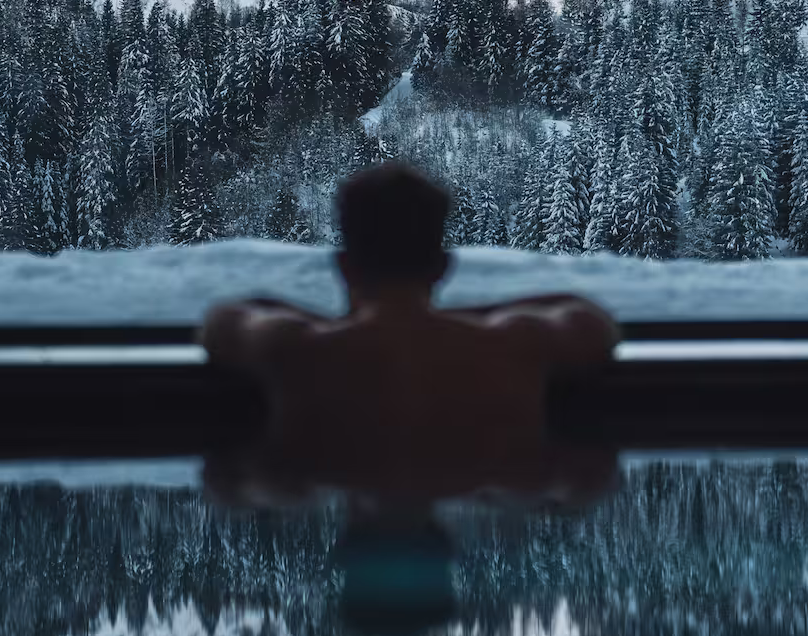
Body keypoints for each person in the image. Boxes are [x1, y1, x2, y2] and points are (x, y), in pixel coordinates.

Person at [201, 163, 617, 501]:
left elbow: (224, 320)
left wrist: (340, 325)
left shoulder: (294, 349)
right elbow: (590, 319)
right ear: (442, 267)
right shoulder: (513, 344)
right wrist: (464, 317)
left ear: (344, 266)